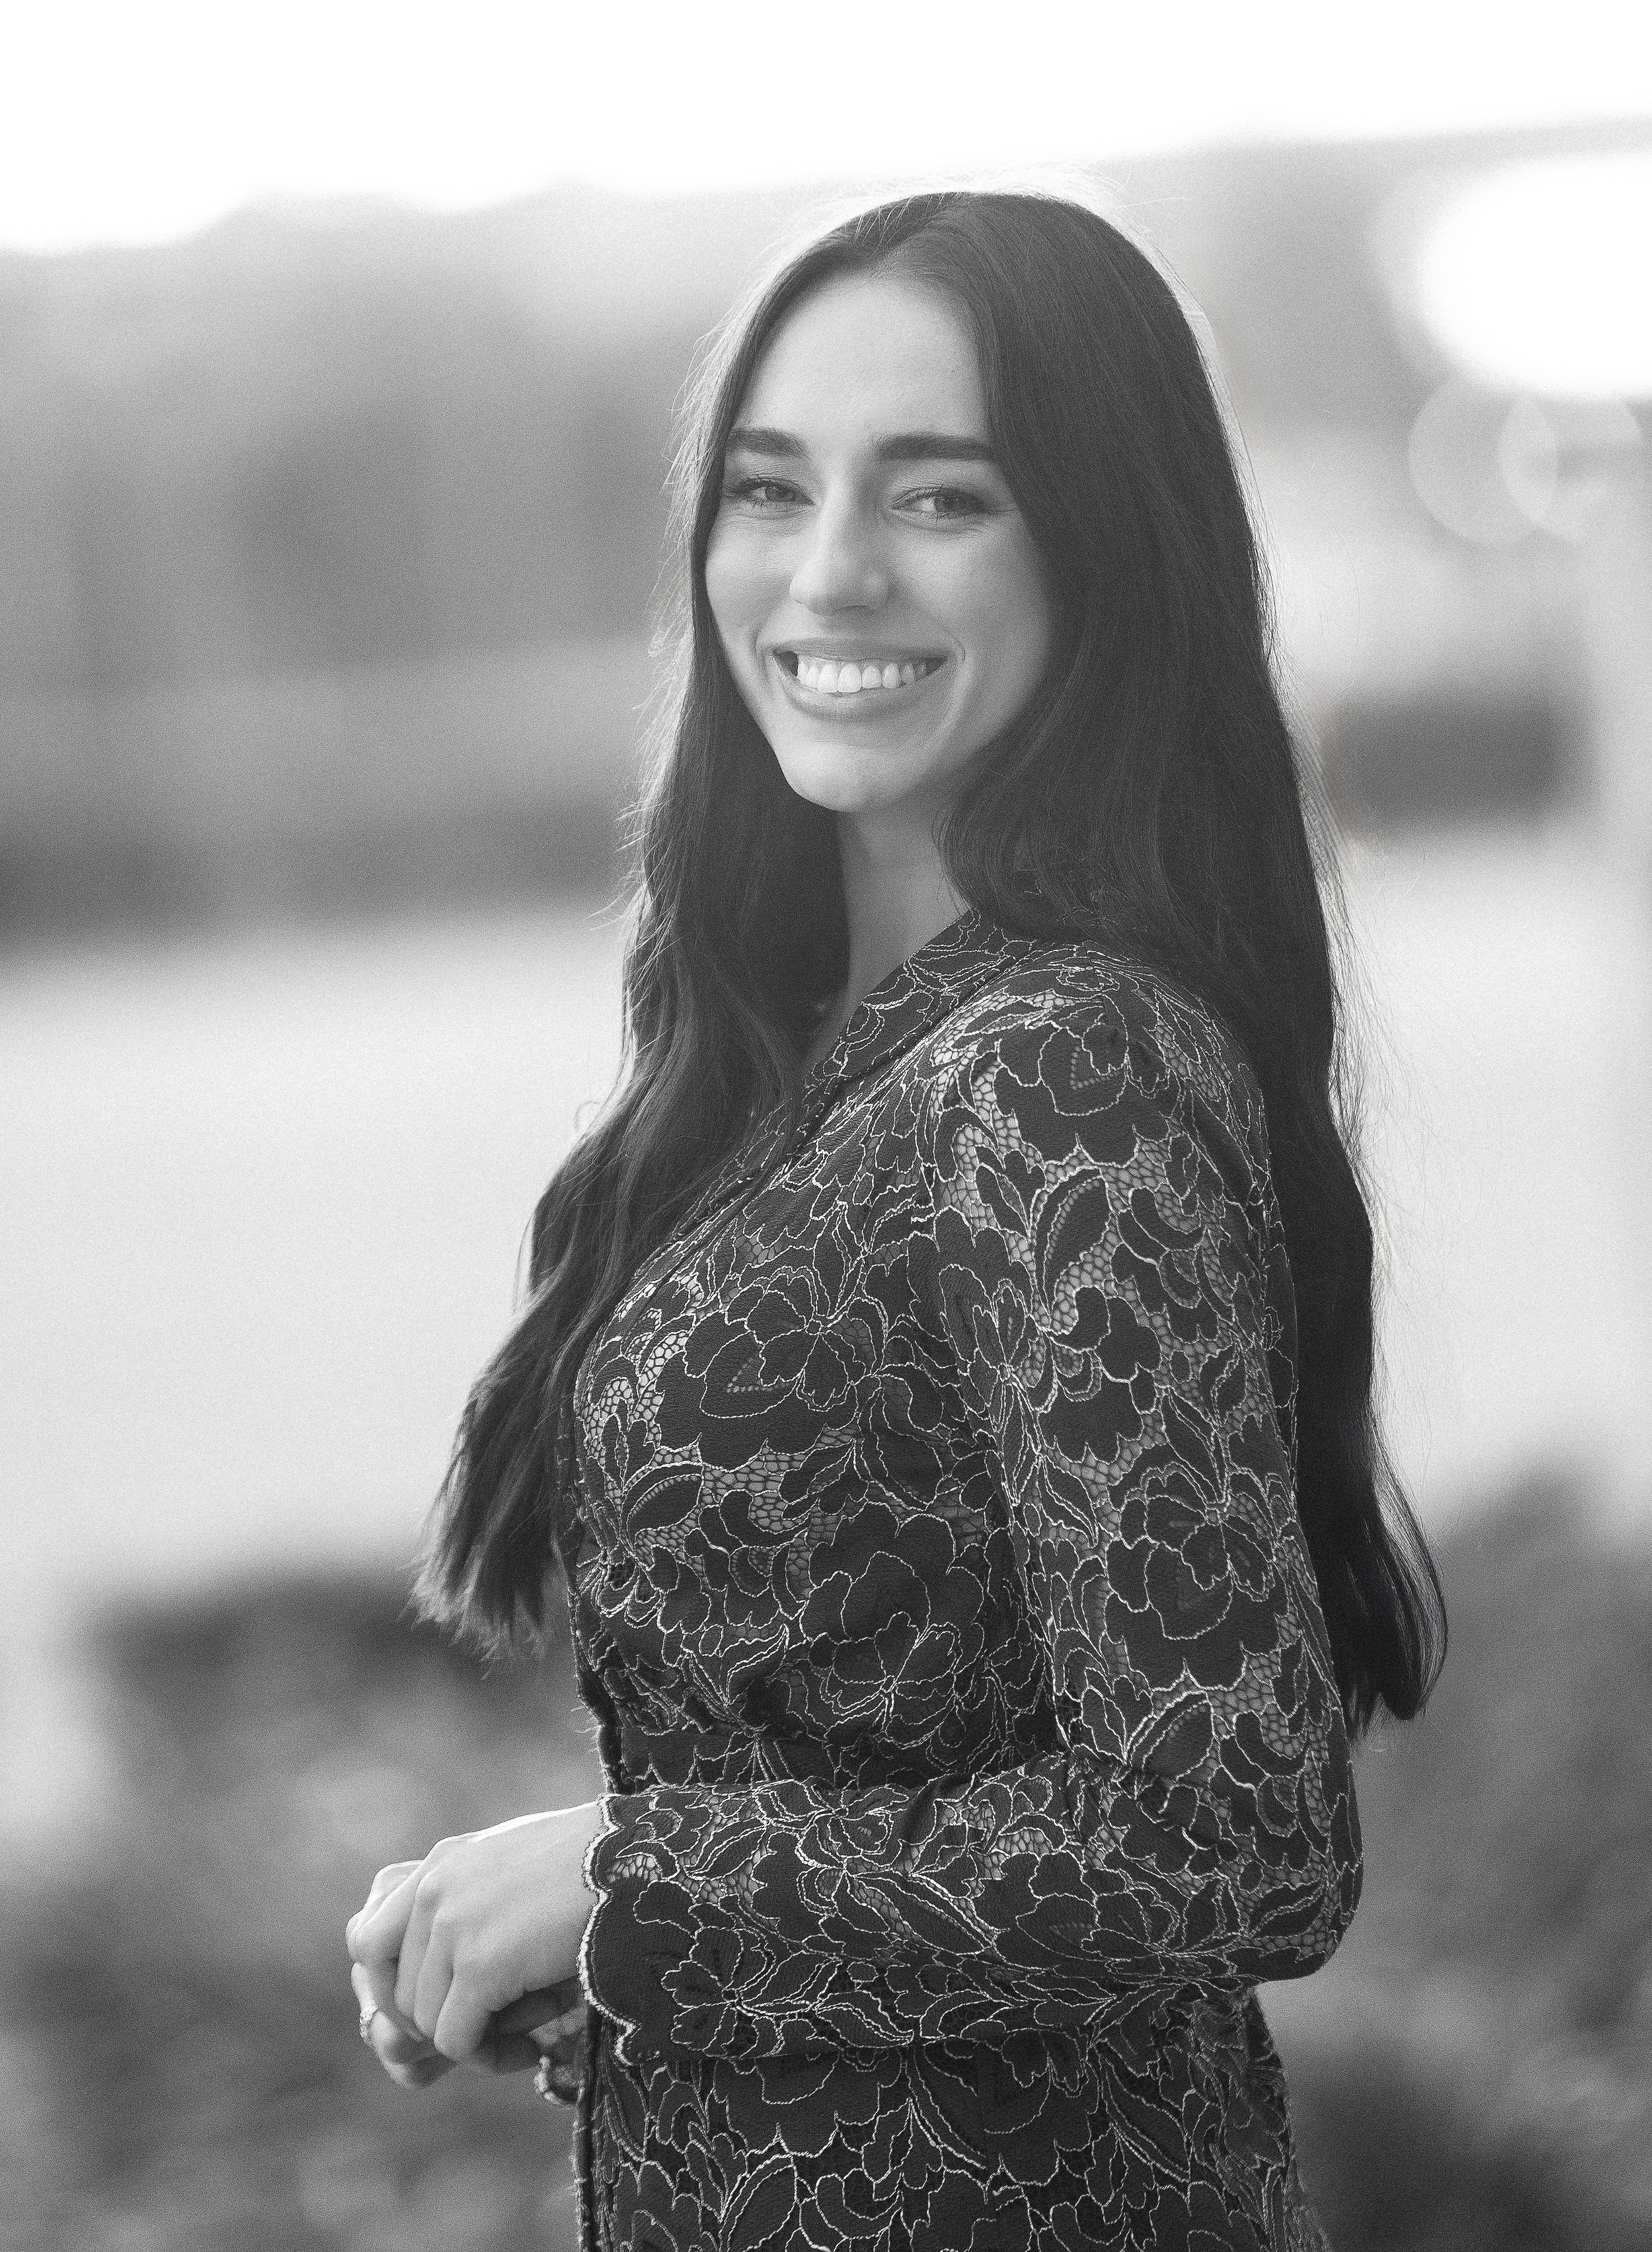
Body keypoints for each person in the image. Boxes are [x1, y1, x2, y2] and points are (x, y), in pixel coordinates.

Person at [346, 188, 1445, 2251]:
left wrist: (625, 1886)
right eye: (771, 488)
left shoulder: (1065, 1069)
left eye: (938, 495)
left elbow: (1231, 1835)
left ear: (1102, 552)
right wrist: (603, 1962)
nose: (828, 567)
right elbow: (894, 1770)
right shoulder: (805, 1061)